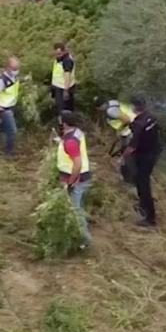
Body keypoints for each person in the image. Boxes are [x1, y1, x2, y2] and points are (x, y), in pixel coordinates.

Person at [122, 98, 162, 227]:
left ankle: (150, 218)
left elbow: (132, 147)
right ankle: (143, 205)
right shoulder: (151, 117)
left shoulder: (139, 124)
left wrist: (123, 157)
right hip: (154, 151)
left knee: (143, 184)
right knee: (141, 180)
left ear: (134, 108)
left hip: (144, 156)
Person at [56, 111, 93, 248]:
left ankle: (85, 240)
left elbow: (77, 163)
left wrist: (71, 182)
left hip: (76, 179)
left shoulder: (70, 142)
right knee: (78, 207)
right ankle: (80, 234)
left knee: (75, 211)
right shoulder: (77, 132)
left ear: (64, 123)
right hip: (82, 176)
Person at [0, 56, 21, 157]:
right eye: (14, 69)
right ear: (7, 68)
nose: (16, 71)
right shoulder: (1, 81)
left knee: (0, 126)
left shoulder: (14, 77)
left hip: (11, 106)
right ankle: (8, 153)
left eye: (17, 69)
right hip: (4, 109)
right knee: (12, 131)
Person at [50, 42, 76, 112]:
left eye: (59, 54)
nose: (58, 56)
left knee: (64, 110)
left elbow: (67, 76)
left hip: (63, 89)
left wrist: (66, 91)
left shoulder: (67, 61)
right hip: (58, 87)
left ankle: (65, 122)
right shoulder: (59, 59)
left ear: (64, 51)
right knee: (60, 109)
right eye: (56, 54)